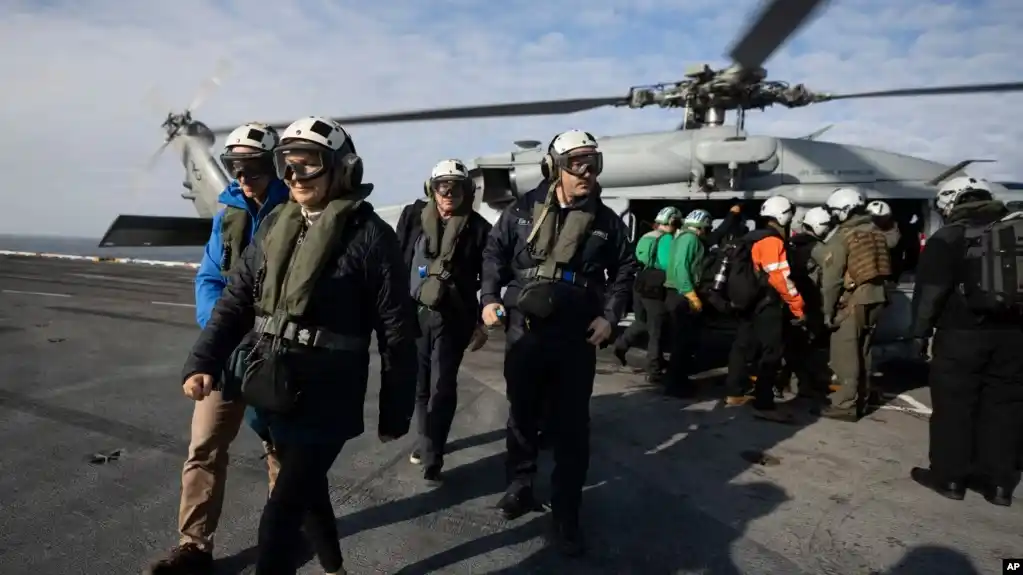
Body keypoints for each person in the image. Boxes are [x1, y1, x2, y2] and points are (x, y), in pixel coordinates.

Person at [178, 116, 419, 575]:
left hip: (329, 394)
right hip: (274, 385)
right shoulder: (274, 226)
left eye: (307, 166)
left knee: (279, 517)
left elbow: (396, 330)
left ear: (343, 168)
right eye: (287, 166)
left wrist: (396, 409)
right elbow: (234, 300)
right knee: (308, 492)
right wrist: (203, 360)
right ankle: (335, 569)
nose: (294, 178)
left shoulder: (371, 237)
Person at [480, 129, 637, 556]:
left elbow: (626, 269)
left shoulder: (605, 221)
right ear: (554, 168)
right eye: (577, 164)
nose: (587, 173)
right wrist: (490, 298)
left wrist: (609, 317)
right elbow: (494, 253)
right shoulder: (522, 210)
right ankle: (520, 485)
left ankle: (567, 509)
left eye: (594, 164)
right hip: (524, 331)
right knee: (521, 414)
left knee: (571, 426)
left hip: (575, 334)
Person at [146, 122, 289, 575]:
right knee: (204, 446)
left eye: (252, 167)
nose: (244, 176)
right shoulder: (227, 212)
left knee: (280, 448)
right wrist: (218, 333)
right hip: (228, 353)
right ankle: (193, 546)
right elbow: (209, 278)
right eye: (235, 167)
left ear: (272, 165)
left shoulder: (296, 210)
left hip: (275, 353)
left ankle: (282, 535)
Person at [909, 176, 1023, 506]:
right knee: (1004, 407)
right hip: (1014, 335)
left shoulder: (948, 237)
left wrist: (920, 333)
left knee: (954, 407)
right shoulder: (1013, 232)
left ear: (951, 203)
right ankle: (999, 484)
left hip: (961, 334)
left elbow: (930, 293)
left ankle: (950, 477)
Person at [396, 159, 492, 483]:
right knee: (419, 384)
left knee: (442, 385)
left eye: (456, 187)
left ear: (467, 191)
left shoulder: (478, 229)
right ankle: (425, 440)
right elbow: (397, 261)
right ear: (432, 189)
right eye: (442, 186)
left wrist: (482, 320)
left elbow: (490, 275)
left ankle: (433, 452)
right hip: (414, 313)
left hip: (455, 316)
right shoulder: (412, 217)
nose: (449, 193)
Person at [721, 195, 804, 422]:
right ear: (783, 216)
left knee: (742, 345)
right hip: (767, 303)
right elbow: (780, 278)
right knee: (771, 352)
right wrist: (797, 307)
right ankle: (764, 404)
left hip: (748, 301)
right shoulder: (772, 241)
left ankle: (734, 393)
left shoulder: (750, 237)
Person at [819, 188, 891, 421]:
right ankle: (863, 399)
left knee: (845, 353)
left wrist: (827, 311)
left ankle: (845, 405)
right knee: (864, 351)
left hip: (854, 299)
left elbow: (832, 279)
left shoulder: (844, 235)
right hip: (878, 297)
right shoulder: (877, 232)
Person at [613, 206, 682, 382]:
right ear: (671, 222)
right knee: (656, 329)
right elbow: (668, 264)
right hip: (655, 287)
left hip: (640, 282)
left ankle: (621, 344)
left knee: (642, 321)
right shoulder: (667, 239)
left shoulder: (646, 236)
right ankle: (654, 370)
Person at [782, 206, 835, 399]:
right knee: (809, 344)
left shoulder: (790, 244)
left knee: (792, 343)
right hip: (811, 299)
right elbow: (831, 274)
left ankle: (785, 381)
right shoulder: (819, 249)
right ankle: (803, 385)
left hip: (791, 298)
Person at [663, 209, 712, 396]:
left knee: (681, 342)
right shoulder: (690, 239)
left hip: (677, 293)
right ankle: (676, 386)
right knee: (682, 343)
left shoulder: (681, 237)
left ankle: (677, 381)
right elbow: (681, 267)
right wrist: (691, 294)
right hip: (681, 294)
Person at [866, 199, 905, 283]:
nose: (878, 221)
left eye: (881, 218)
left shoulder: (893, 229)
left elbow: (891, 242)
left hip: (887, 272)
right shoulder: (865, 227)